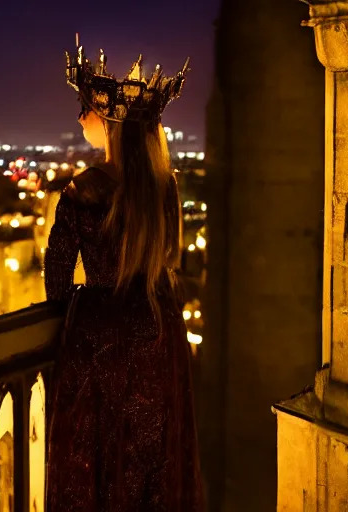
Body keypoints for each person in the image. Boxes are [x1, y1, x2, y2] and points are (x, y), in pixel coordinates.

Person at [44, 39, 204, 511]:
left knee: (98, 460)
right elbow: (170, 255)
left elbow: (56, 277)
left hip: (103, 346)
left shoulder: (85, 191)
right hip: (159, 335)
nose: (79, 119)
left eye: (85, 108)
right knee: (151, 459)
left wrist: (78, 309)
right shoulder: (163, 186)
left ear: (108, 120)